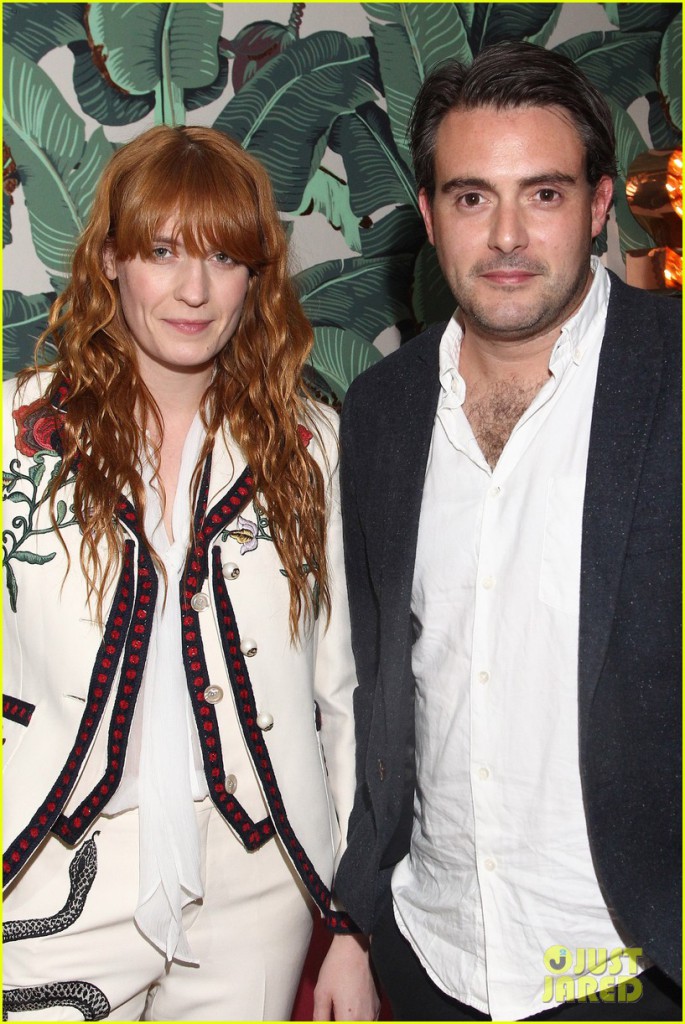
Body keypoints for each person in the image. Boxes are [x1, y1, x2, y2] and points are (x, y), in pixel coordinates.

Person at [336, 40, 681, 1023]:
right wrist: (357, 913)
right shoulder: (382, 411)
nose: (506, 237)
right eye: (472, 196)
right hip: (432, 953)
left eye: (543, 193)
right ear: (430, 215)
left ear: (600, 203)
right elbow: (372, 679)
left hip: (631, 968)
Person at [2, 125, 378, 1022]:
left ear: (257, 278)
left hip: (257, 885)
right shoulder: (17, 433)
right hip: (50, 853)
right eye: (163, 251)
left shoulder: (308, 449)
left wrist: (350, 922)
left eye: (225, 256)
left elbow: (344, 694)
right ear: (110, 260)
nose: (195, 289)